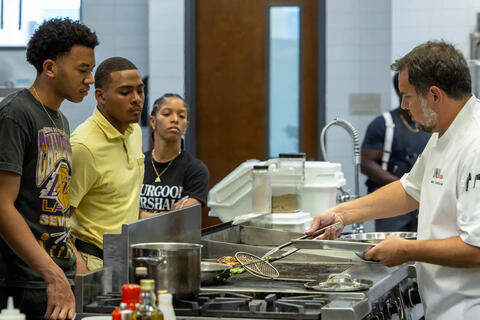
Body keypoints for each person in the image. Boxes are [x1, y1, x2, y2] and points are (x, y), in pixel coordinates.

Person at [307, 40, 480, 320]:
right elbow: (409, 190)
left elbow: (476, 249)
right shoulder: (443, 136)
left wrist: (406, 250)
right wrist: (339, 213)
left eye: (408, 96)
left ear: (434, 95)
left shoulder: (475, 145)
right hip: (443, 306)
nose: (403, 105)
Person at [0, 18, 98, 320]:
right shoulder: (16, 114)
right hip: (25, 280)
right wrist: (51, 274)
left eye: (91, 71)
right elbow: (2, 205)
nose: (90, 80)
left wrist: (70, 256)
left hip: (57, 271)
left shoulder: (60, 120)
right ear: (50, 68)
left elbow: (51, 199)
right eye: (83, 70)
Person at [69, 57, 145, 273]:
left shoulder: (134, 131)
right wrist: (78, 266)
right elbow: (56, 220)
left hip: (124, 259)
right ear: (100, 96)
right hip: (92, 261)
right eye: (125, 92)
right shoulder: (84, 147)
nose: (136, 99)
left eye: (140, 91)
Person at [361, 73, 430, 232]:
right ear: (400, 91)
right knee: (392, 251)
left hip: (423, 202)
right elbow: (366, 164)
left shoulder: (430, 124)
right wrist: (402, 185)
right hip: (392, 205)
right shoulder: (383, 123)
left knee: (419, 249)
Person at [139, 94, 209, 218]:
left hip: (175, 237)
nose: (175, 119)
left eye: (181, 116)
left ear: (186, 126)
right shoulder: (137, 163)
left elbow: (181, 218)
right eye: (166, 114)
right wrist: (167, 215)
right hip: (135, 236)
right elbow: (123, 210)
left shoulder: (196, 169)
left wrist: (141, 214)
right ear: (153, 121)